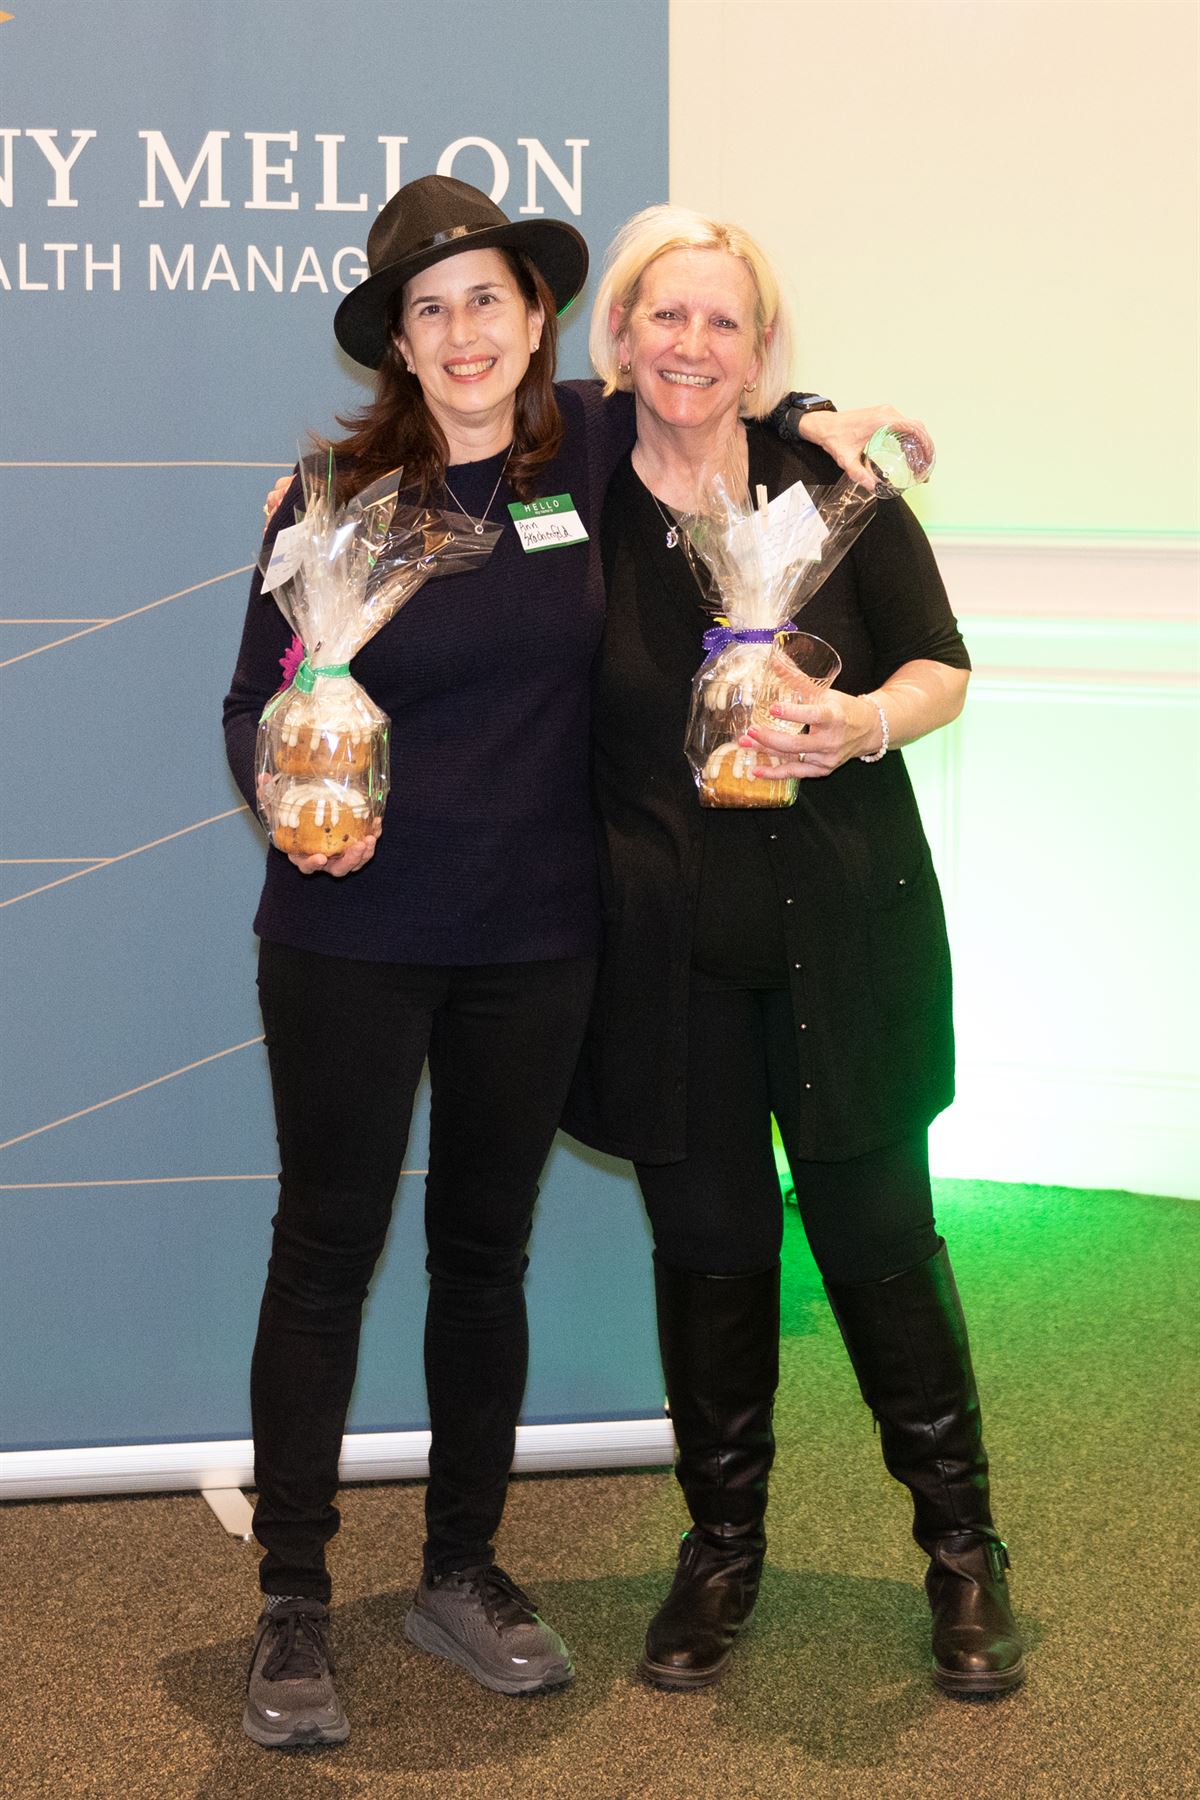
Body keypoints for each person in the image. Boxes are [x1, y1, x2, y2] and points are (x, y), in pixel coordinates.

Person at [225, 173, 898, 1749]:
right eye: (431, 308)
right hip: (349, 940)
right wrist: (288, 806)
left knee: (486, 1258)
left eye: (490, 299)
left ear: (538, 322)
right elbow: (253, 701)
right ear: (399, 341)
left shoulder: (586, 451)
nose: (465, 332)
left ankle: (460, 1567)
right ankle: (293, 1598)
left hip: (537, 944)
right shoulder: (330, 501)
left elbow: (704, 383)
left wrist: (814, 417)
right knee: (323, 1257)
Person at [562, 205, 1025, 1699]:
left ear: (762, 350)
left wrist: (865, 721)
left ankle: (964, 1552)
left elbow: (943, 664)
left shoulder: (837, 492)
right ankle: (720, 1549)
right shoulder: (568, 500)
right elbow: (459, 417)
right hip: (665, 965)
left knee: (883, 1246)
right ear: (618, 333)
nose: (692, 345)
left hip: (848, 937)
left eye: (725, 321)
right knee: (709, 1253)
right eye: (666, 315)